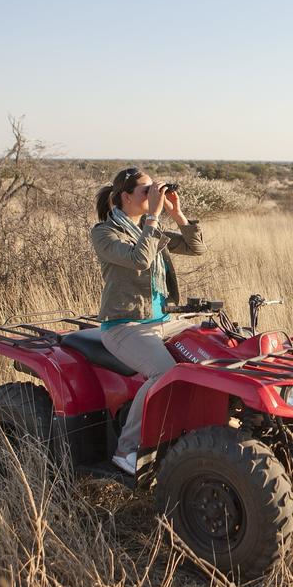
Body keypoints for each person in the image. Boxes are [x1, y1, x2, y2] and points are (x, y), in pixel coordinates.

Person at [91, 167, 206, 475]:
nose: (153, 195)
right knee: (164, 372)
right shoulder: (104, 233)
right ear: (126, 197)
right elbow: (139, 260)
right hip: (124, 325)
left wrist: (177, 214)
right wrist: (154, 216)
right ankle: (126, 450)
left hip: (164, 320)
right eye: (146, 191)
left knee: (215, 343)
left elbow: (196, 248)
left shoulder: (148, 228)